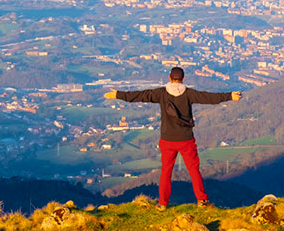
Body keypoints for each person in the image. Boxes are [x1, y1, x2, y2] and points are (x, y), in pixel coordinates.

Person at [103, 66, 241, 211]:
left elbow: (139, 95)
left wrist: (118, 94)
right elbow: (210, 97)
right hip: (186, 140)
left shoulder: (161, 93)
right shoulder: (189, 94)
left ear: (169, 78)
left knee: (166, 172)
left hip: (167, 140)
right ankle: (201, 200)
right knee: (194, 170)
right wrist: (230, 96)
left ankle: (162, 203)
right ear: (183, 79)